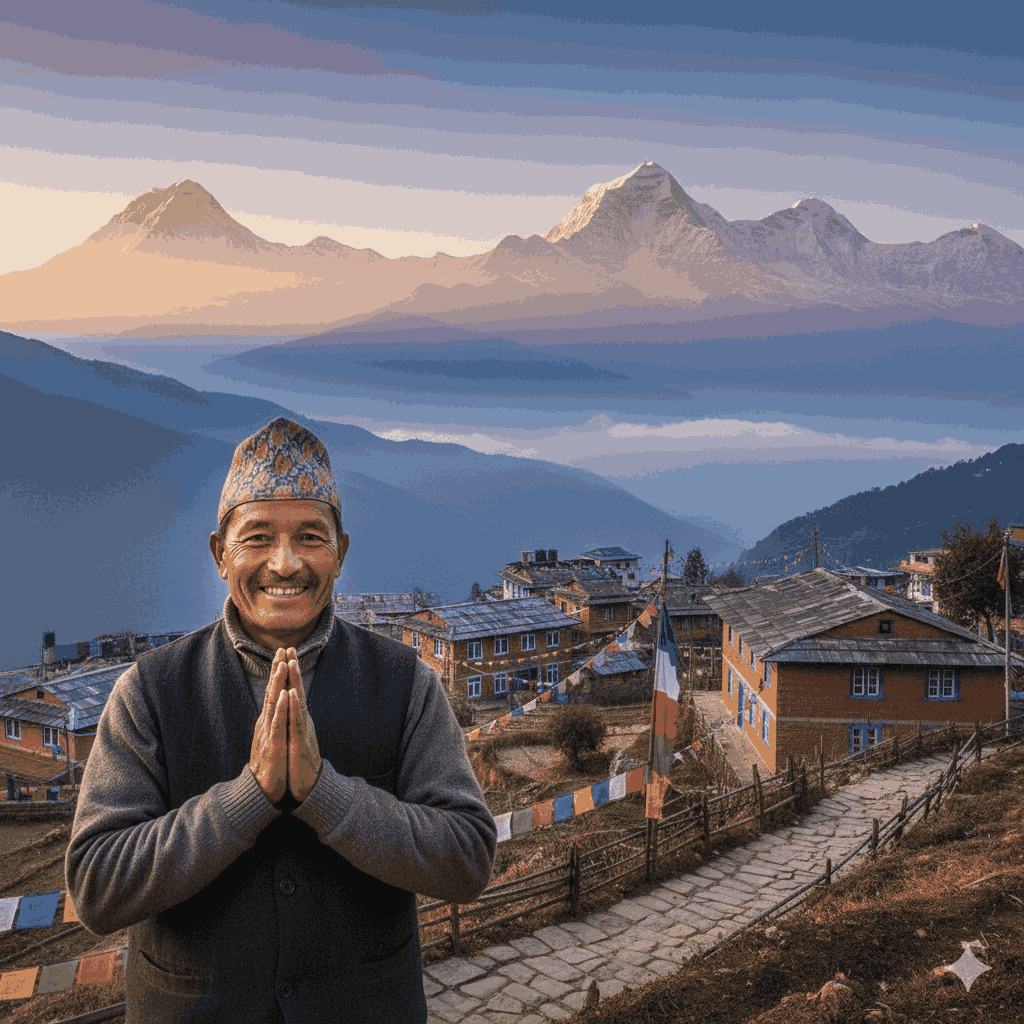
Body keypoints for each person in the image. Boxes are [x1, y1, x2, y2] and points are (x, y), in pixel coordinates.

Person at [66, 417, 496, 1023]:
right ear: (221, 554)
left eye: (311, 537)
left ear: (341, 553)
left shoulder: (404, 683)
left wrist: (328, 796)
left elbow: (466, 859)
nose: (286, 563)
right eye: (258, 537)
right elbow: (97, 884)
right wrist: (249, 797)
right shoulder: (150, 692)